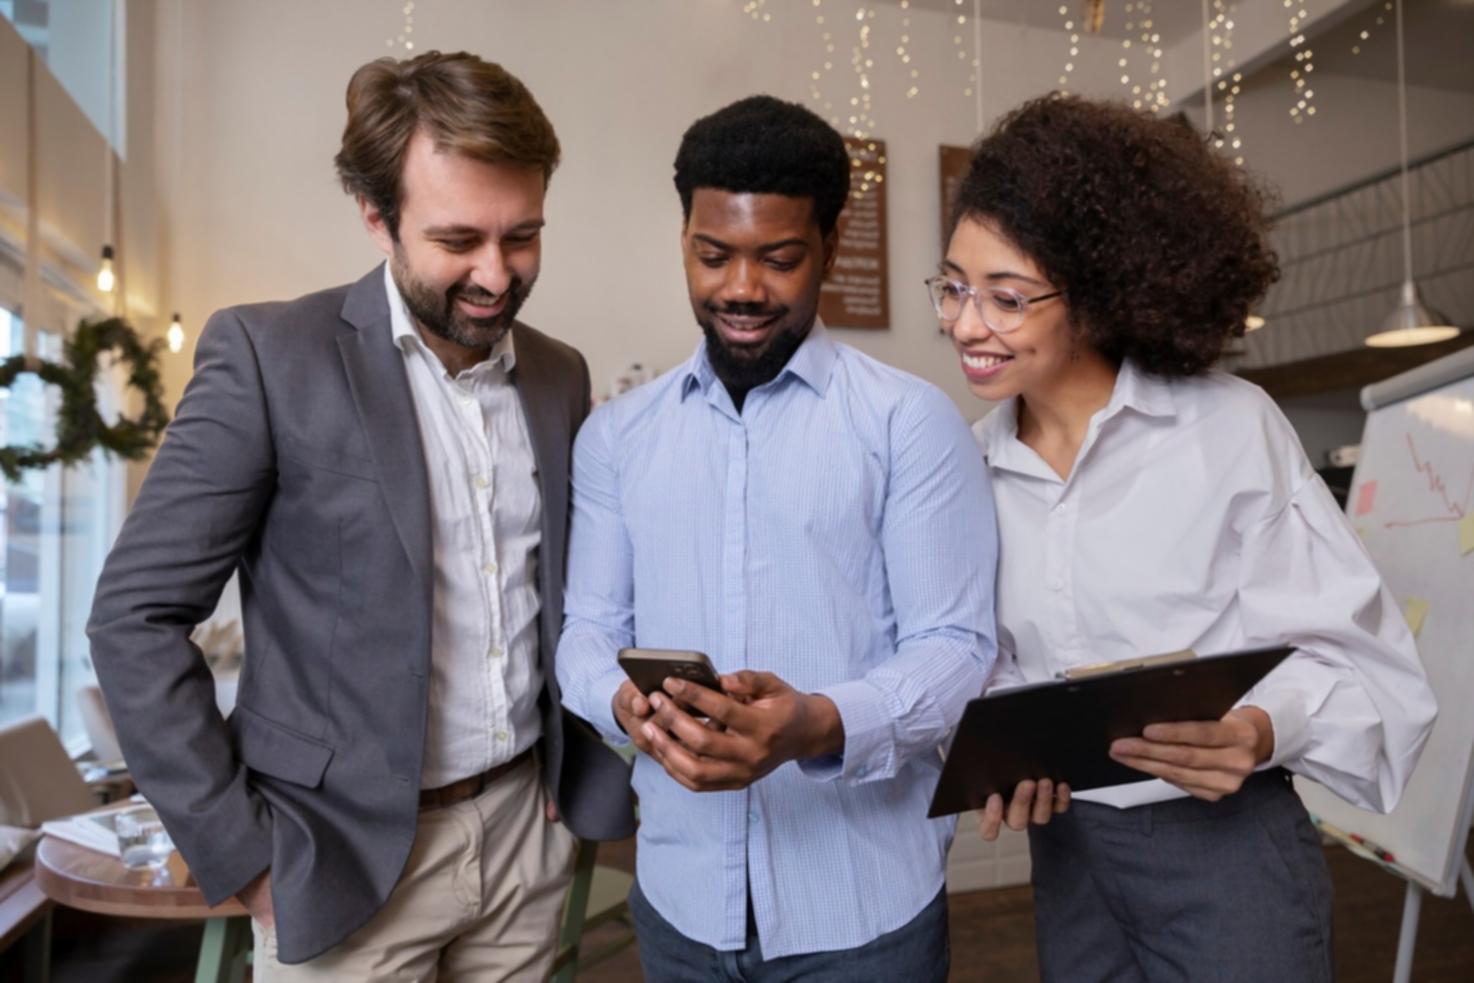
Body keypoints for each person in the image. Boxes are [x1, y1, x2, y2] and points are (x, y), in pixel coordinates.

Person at [86, 51, 634, 979]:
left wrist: (574, 774)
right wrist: (249, 858)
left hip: (523, 843)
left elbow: (569, 593)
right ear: (376, 217)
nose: (497, 276)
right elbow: (132, 618)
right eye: (459, 239)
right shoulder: (268, 357)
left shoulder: (559, 373)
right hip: (334, 862)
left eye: (523, 236)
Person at [935, 94, 1437, 982]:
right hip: (1070, 849)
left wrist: (1257, 728)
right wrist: (1010, 751)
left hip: (1229, 849)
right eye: (954, 286)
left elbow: (1365, 666)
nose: (967, 324)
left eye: (1006, 298)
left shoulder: (1228, 430)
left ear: (1096, 295)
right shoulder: (967, 467)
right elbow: (991, 659)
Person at [555, 94, 997, 982]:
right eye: (713, 255)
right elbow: (588, 631)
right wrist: (627, 706)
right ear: (684, 239)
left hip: (862, 905)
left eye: (780, 259)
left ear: (830, 247)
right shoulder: (616, 437)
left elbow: (957, 648)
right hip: (679, 895)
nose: (742, 289)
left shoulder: (909, 423)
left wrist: (817, 723)